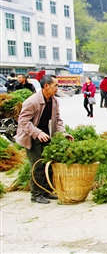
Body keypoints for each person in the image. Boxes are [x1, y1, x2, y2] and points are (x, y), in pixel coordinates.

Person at [15, 75, 74, 204]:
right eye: (56, 85)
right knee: (37, 165)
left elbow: (57, 120)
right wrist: (37, 133)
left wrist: (63, 133)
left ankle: (47, 191)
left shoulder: (54, 101)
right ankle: (36, 194)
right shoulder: (32, 101)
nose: (57, 88)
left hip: (46, 135)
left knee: (49, 164)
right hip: (32, 136)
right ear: (46, 86)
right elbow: (23, 121)